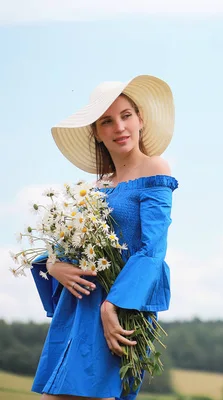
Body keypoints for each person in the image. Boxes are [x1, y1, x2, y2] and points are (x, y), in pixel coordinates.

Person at [29, 74, 178, 400]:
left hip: (123, 306)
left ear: (140, 119)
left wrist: (113, 306)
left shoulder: (156, 169)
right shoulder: (98, 186)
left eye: (126, 116)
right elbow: (76, 243)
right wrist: (53, 265)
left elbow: (152, 249)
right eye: (107, 121)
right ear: (97, 133)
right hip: (79, 309)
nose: (120, 127)